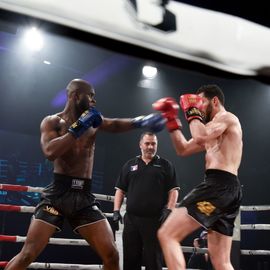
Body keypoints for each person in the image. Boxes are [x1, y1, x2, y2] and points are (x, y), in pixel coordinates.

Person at [4, 78, 166, 270]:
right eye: (90, 96)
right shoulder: (53, 121)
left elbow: (114, 124)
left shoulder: (93, 121)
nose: (93, 101)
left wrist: (140, 121)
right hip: (57, 197)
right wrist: (78, 128)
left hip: (84, 200)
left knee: (112, 255)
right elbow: (49, 152)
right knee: (27, 254)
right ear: (75, 96)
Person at [153, 84, 242, 270]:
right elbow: (183, 149)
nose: (198, 109)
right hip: (225, 190)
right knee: (221, 262)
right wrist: (172, 121)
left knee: (167, 234)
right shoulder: (213, 129)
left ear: (215, 101)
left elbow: (201, 136)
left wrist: (191, 111)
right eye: (196, 106)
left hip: (218, 187)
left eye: (201, 103)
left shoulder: (226, 118)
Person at [113, 131, 180, 270]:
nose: (150, 147)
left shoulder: (165, 165)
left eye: (153, 143)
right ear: (140, 145)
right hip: (131, 221)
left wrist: (169, 209)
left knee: (154, 261)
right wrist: (115, 211)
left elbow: (173, 190)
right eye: (147, 143)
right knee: (130, 261)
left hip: (155, 221)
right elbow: (120, 189)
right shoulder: (129, 165)